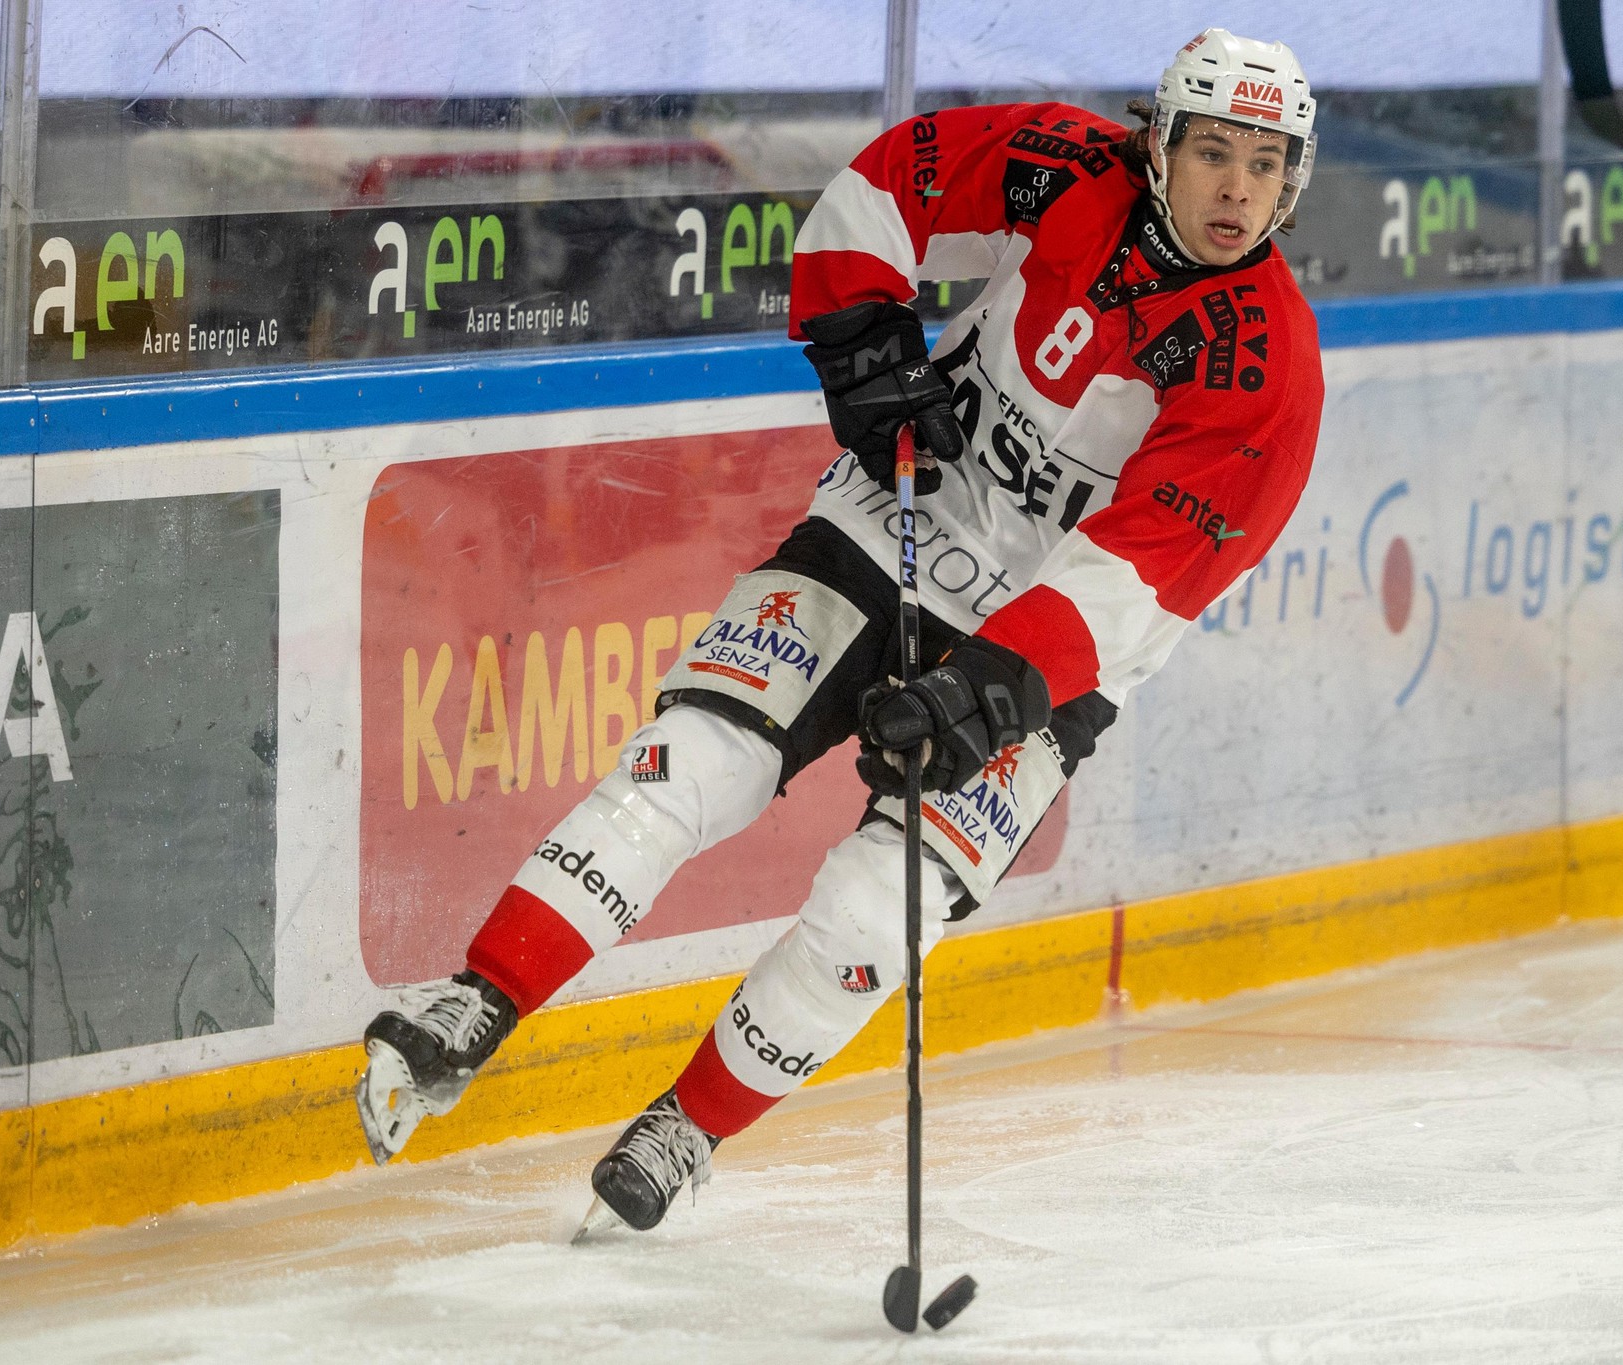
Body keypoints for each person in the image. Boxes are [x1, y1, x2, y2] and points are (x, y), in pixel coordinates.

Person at [355, 27, 1326, 1233]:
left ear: (1295, 179)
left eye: (1267, 164)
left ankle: (685, 1128)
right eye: (1214, 153)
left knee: (876, 916)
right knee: (690, 764)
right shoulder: (1057, 164)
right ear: (1158, 141)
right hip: (890, 517)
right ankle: (474, 1004)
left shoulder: (1269, 370)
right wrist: (862, 335)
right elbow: (882, 187)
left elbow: (1143, 577)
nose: (1239, 188)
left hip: (1043, 658)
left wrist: (981, 689)